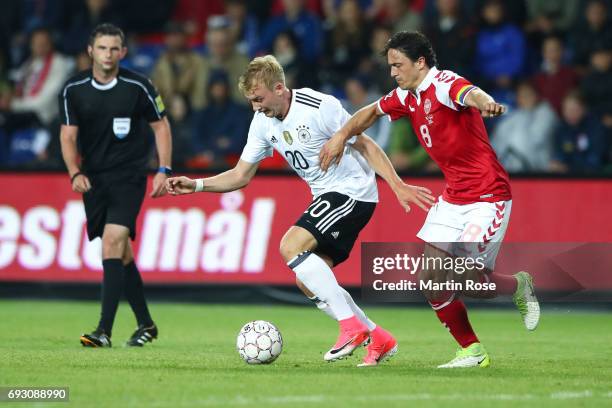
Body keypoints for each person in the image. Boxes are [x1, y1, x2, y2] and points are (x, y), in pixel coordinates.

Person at [166, 55, 435, 366]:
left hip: (352, 190)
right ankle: (378, 337)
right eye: (251, 101)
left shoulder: (319, 106)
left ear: (279, 88)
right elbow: (240, 175)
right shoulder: (262, 123)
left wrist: (396, 184)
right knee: (307, 280)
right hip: (326, 194)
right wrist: (197, 185)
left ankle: (351, 327)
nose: (256, 107)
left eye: (259, 99)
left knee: (290, 246)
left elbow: (366, 145)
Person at [319, 31, 541, 368]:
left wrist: (486, 104)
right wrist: (340, 135)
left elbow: (469, 93)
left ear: (420, 62)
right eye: (390, 66)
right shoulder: (407, 97)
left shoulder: (443, 83)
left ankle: (518, 286)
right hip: (453, 199)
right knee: (429, 278)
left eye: (398, 65)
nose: (393, 72)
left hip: (487, 196)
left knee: (466, 277)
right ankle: (472, 351)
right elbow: (370, 112)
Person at [58, 23, 173, 348]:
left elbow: (161, 126)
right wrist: (73, 172)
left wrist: (163, 169)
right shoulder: (73, 88)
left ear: (122, 52)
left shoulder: (139, 86)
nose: (108, 54)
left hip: (129, 176)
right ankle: (146, 325)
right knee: (121, 253)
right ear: (90, 51)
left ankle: (103, 332)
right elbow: (68, 135)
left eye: (114, 49)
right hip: (94, 179)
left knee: (111, 242)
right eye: (102, 48)